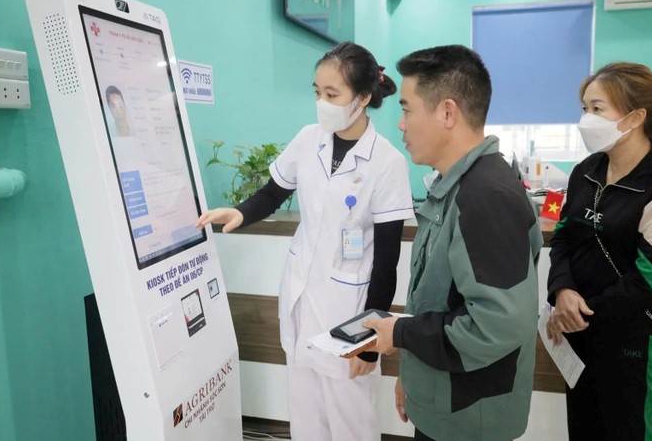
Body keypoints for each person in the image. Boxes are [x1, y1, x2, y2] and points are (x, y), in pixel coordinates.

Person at [195, 41, 414, 441]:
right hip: (300, 301)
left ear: (363, 97)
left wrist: (368, 341)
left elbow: (386, 261)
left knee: (351, 423)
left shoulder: (387, 163)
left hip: (349, 316)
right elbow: (272, 193)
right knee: (306, 420)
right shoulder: (309, 139)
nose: (321, 103)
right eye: (317, 92)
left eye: (332, 94)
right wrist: (239, 213)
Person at [363, 45, 543, 441]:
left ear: (447, 113)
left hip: (467, 414)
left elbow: (494, 325)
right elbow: (434, 297)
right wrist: (412, 374)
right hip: (442, 394)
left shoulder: (486, 197)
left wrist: (400, 334)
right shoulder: (455, 186)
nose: (400, 125)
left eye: (407, 110)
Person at [545, 62, 652, 441]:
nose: (586, 119)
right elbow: (563, 237)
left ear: (635, 117)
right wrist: (562, 291)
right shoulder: (586, 170)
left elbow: (650, 281)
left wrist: (576, 314)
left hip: (634, 345)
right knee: (584, 430)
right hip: (579, 337)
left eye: (597, 109)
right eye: (584, 108)